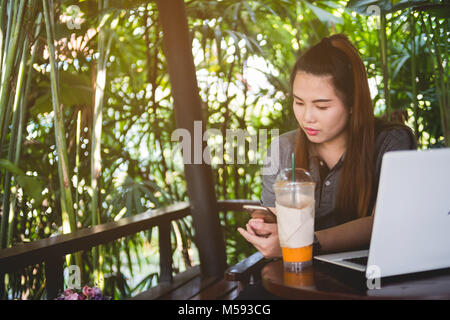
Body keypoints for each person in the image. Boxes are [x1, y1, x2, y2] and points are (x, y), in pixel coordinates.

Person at [236, 34, 417, 299]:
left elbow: (383, 224)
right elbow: (275, 221)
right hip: (293, 276)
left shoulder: (391, 141)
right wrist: (266, 227)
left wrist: (304, 242)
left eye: (322, 106)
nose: (307, 117)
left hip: (367, 279)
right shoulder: (283, 148)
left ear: (353, 104)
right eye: (299, 102)